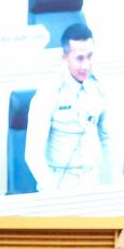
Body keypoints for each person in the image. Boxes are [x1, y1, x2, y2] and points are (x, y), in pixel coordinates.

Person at [24, 23, 112, 192]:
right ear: (65, 58)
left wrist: (112, 186)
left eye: (90, 57)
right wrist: (55, 195)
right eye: (79, 58)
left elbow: (108, 140)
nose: (86, 65)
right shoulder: (48, 93)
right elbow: (33, 155)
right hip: (58, 183)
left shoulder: (100, 87)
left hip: (91, 181)